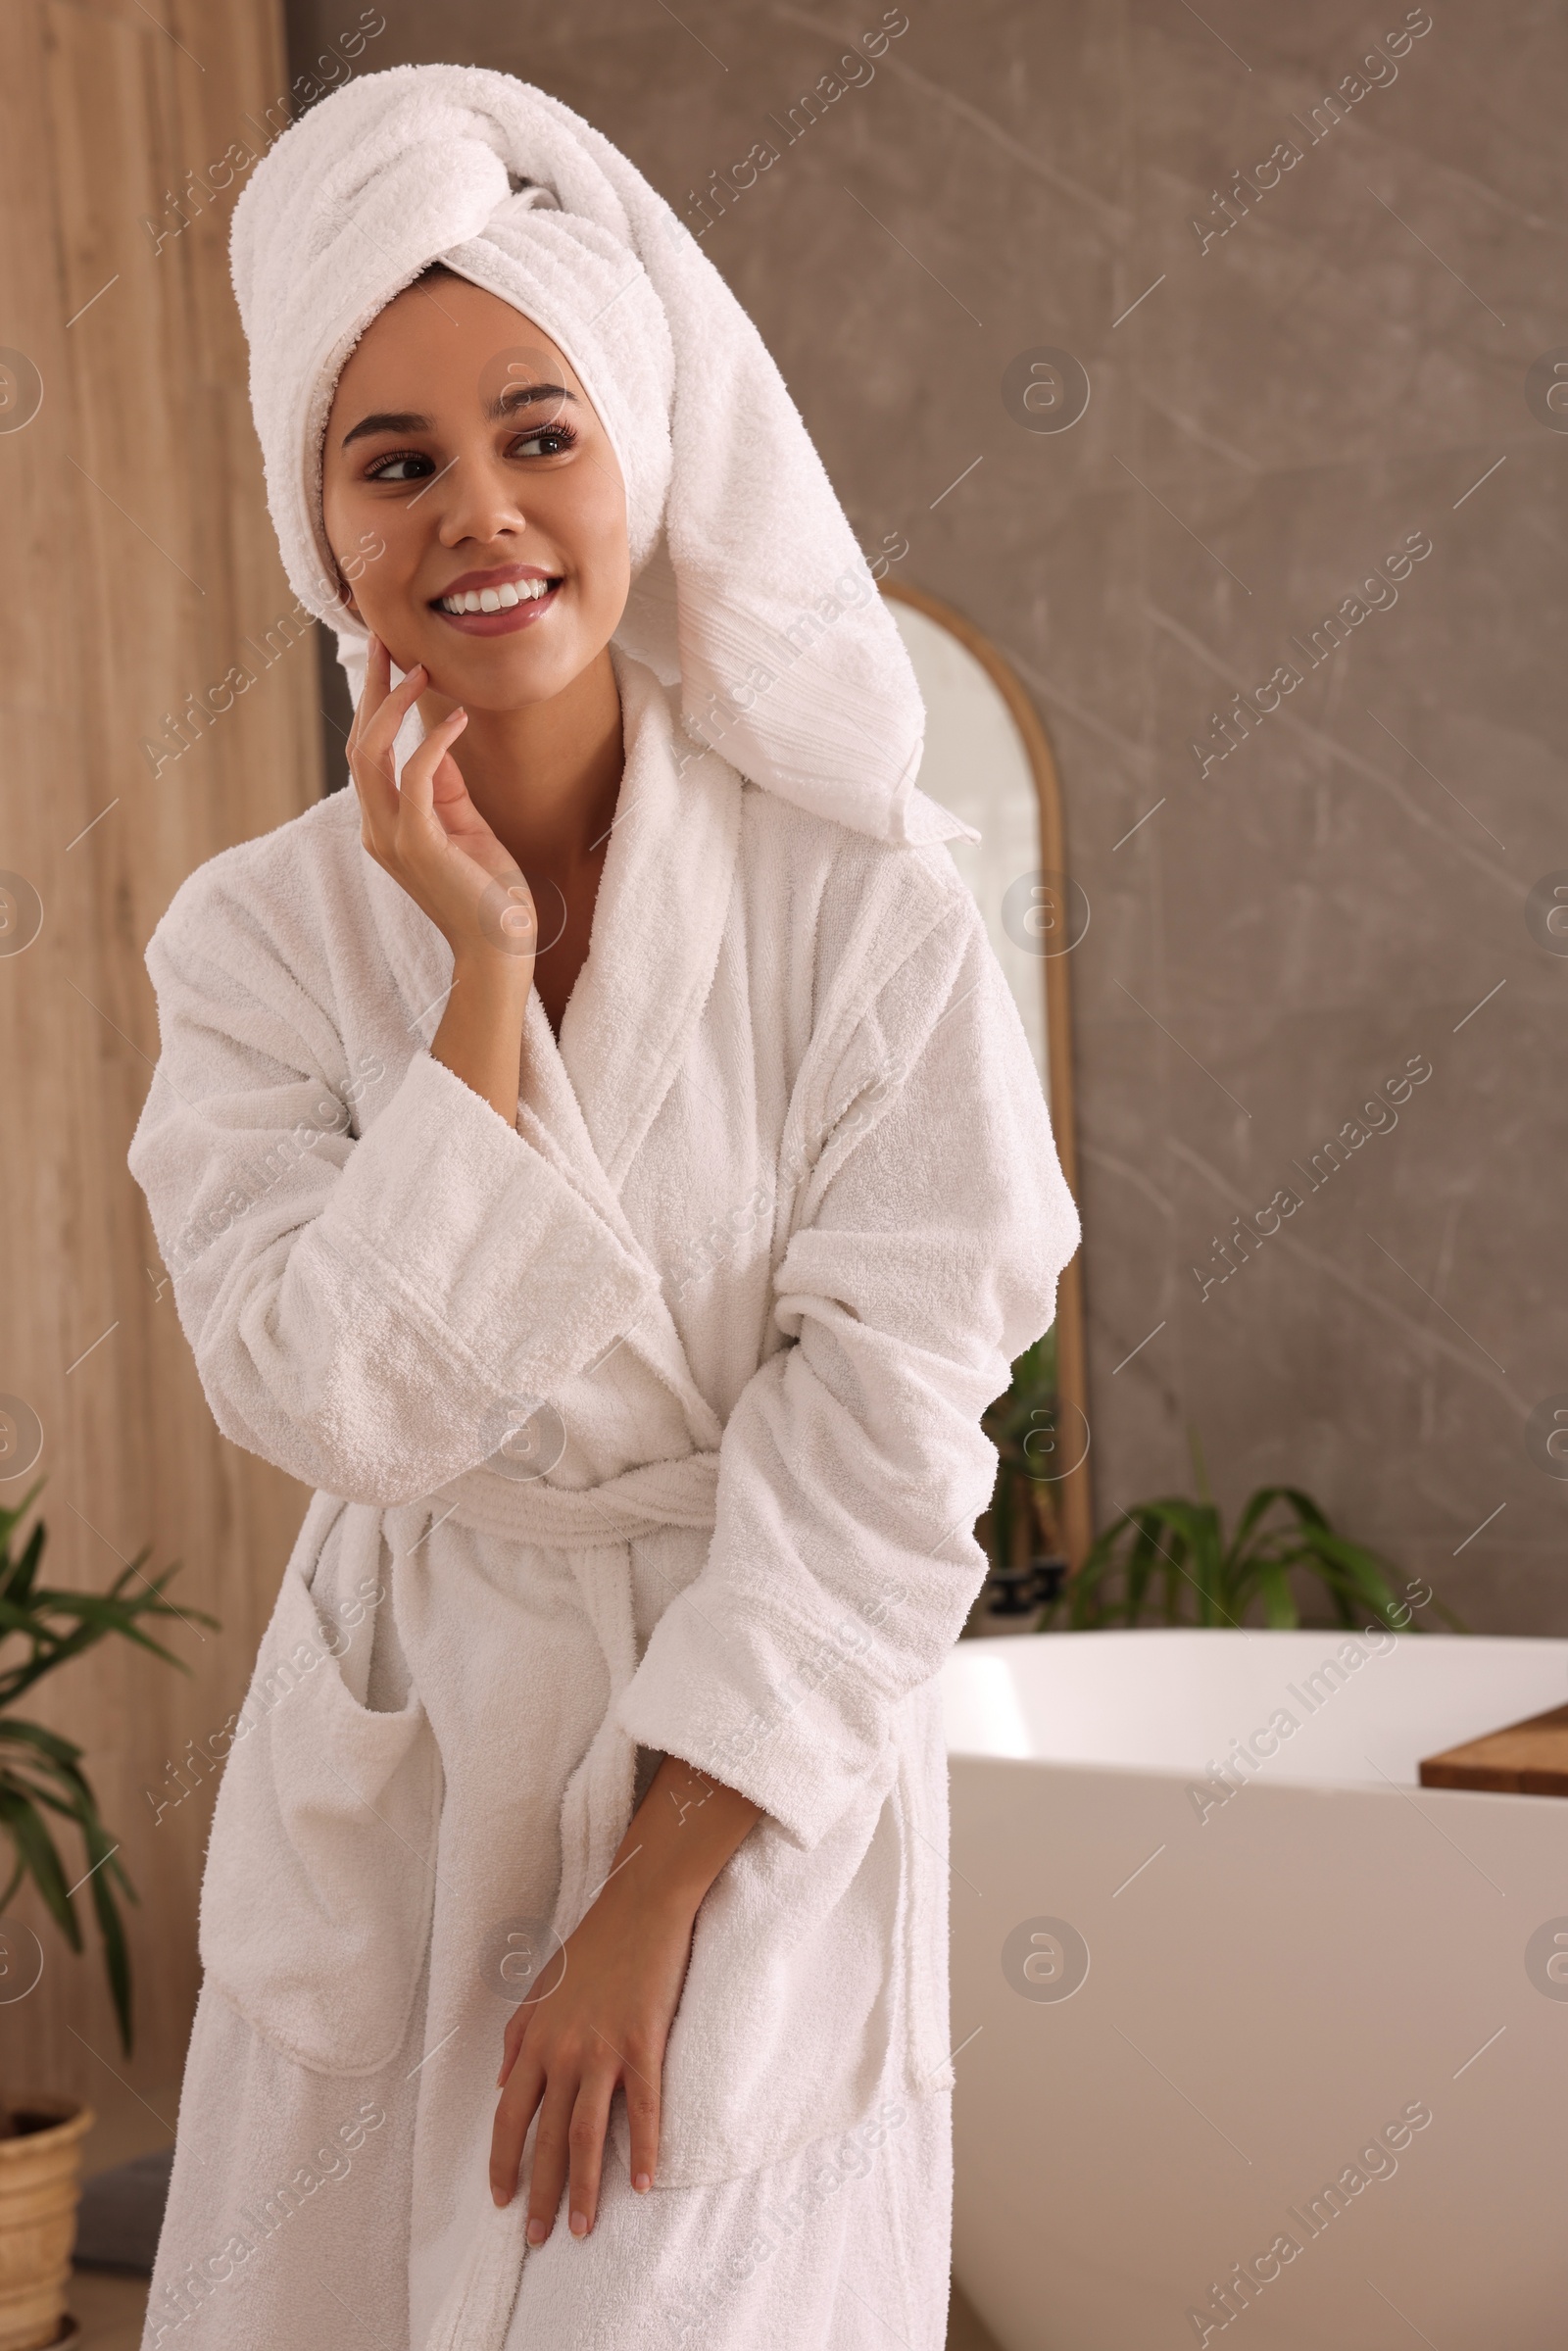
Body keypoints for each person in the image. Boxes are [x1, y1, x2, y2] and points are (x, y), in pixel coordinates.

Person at [127, 63, 1079, 2351]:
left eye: (537, 431)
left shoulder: (862, 909)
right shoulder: (255, 942)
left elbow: (888, 1438)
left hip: (735, 1783)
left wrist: (658, 1883)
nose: (482, 510)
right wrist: (470, 968)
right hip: (406, 1770)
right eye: (398, 458)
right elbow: (330, 1402)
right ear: (322, 529)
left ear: (631, 461)